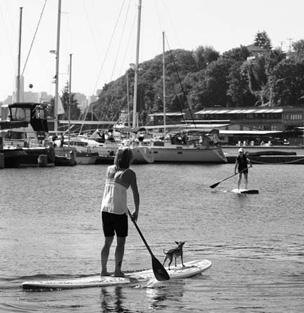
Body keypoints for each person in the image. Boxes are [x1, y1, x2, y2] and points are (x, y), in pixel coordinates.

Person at [100, 147, 140, 277]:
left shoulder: (109, 169)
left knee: (107, 241)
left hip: (105, 209)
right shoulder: (130, 173)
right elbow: (135, 193)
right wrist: (136, 211)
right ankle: (117, 271)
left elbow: (114, 189)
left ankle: (104, 270)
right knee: (120, 242)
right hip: (118, 211)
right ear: (129, 159)